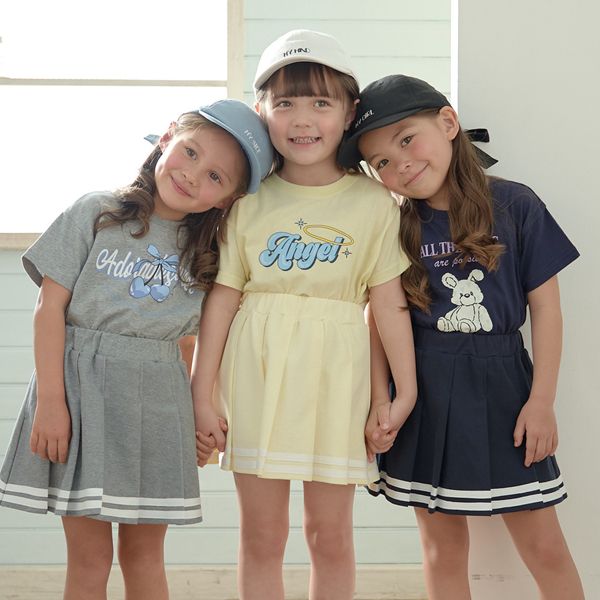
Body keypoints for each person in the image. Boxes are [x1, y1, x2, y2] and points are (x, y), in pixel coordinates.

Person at [0, 99, 273, 600]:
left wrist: (196, 416)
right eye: (190, 152)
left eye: (215, 176)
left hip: (159, 406)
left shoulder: (209, 256)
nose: (192, 175)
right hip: (81, 398)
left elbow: (189, 344)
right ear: (167, 138)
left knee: (144, 557)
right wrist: (52, 404)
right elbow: (48, 310)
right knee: (89, 558)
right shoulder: (96, 212)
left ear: (228, 199)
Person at [339, 74, 584, 600]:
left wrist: (542, 401)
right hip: (425, 392)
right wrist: (381, 399)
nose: (401, 164)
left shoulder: (515, 205)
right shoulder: (394, 225)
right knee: (441, 550)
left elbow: (547, 309)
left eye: (407, 140)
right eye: (381, 161)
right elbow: (381, 319)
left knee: (546, 548)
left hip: (505, 388)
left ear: (448, 123)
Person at [192, 30, 417, 600]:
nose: (303, 119)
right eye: (285, 102)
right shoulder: (247, 200)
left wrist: (400, 392)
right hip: (256, 374)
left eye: (321, 102)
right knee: (262, 535)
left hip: (337, 378)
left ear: (349, 113)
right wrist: (201, 392)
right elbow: (222, 299)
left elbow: (386, 305)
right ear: (262, 110)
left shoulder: (374, 203)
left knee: (330, 535)